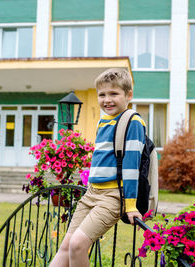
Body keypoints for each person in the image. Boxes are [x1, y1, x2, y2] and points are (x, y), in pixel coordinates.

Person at [49, 68, 146, 267]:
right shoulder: (103, 121)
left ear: (128, 95)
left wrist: (130, 206)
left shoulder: (133, 121)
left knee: (78, 244)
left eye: (114, 94)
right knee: (66, 245)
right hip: (91, 193)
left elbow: (131, 167)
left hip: (112, 196)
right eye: (102, 94)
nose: (107, 100)